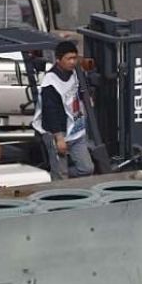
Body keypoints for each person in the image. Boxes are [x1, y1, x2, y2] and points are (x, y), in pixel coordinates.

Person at [32, 41, 94, 180]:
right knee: (61, 174)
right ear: (59, 60)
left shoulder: (76, 73)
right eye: (69, 59)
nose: (73, 62)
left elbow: (83, 91)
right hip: (57, 132)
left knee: (87, 168)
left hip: (76, 130)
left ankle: (63, 180)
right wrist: (59, 138)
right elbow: (50, 112)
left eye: (74, 58)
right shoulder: (50, 82)